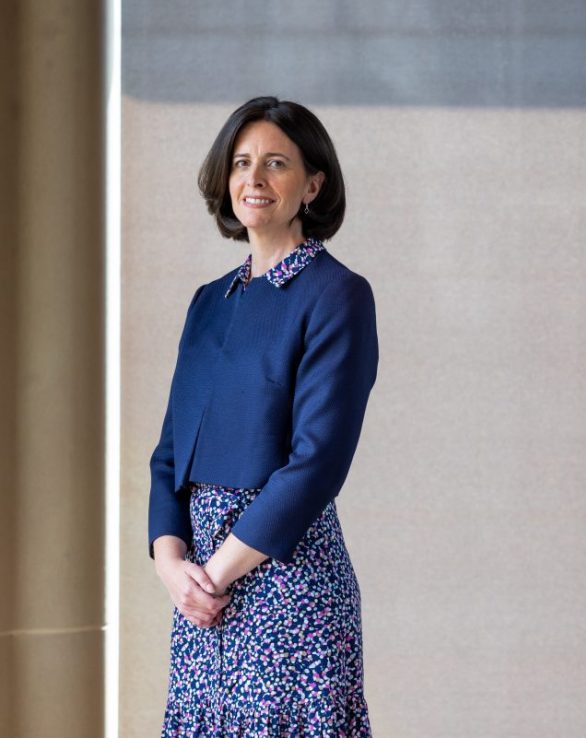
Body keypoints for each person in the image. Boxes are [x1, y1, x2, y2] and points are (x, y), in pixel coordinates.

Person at [147, 96, 378, 736]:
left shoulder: (338, 296)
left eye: (276, 163)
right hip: (199, 597)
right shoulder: (207, 303)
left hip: (285, 587)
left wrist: (215, 575)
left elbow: (317, 464)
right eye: (242, 162)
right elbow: (169, 453)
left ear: (312, 184)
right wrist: (173, 568)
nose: (254, 178)